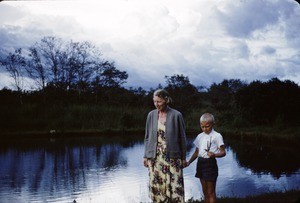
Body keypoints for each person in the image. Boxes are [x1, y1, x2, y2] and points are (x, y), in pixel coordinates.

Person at [143, 89, 187, 203]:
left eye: (159, 101)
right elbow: (147, 137)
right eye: (154, 101)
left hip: (173, 158)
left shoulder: (177, 115)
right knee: (158, 189)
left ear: (166, 100)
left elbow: (182, 138)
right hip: (155, 158)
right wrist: (145, 156)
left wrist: (183, 158)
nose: (156, 104)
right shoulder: (151, 115)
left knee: (175, 190)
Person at [186, 113, 226, 203]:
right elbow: (196, 153)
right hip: (200, 163)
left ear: (213, 124)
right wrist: (188, 162)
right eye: (202, 126)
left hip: (210, 164)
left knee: (211, 192)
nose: (204, 129)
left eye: (207, 126)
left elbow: (223, 152)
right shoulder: (200, 136)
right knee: (205, 192)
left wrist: (214, 155)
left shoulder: (217, 136)